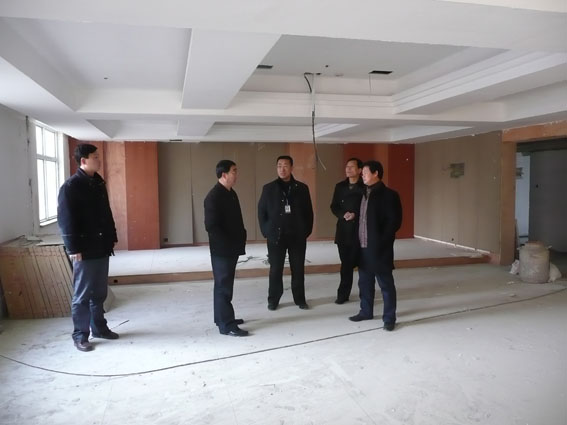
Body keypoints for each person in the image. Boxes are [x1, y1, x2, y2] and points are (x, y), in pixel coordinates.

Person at [57, 143, 119, 352]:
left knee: (99, 292)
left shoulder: (98, 183)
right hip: (83, 249)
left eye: (98, 156)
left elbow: (106, 213)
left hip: (101, 245)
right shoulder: (71, 187)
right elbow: (66, 220)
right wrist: (73, 248)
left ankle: (99, 328)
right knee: (82, 295)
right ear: (83, 161)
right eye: (95, 157)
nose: (99, 160)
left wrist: (111, 236)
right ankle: (80, 335)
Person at [349, 160, 402, 331]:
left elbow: (394, 222)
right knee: (364, 283)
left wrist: (382, 241)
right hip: (362, 246)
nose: (362, 175)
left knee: (385, 284)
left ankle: (389, 318)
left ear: (376, 173)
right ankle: (366, 311)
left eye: (365, 173)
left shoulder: (389, 195)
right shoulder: (361, 193)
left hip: (379, 248)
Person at [258, 155, 313, 311]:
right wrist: (266, 231)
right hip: (276, 236)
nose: (282, 169)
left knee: (298, 269)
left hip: (297, 236)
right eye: (279, 166)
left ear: (291, 168)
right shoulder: (268, 188)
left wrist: (305, 231)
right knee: (275, 269)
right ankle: (273, 299)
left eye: (285, 166)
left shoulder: (302, 188)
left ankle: (300, 299)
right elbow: (261, 212)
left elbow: (309, 213)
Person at [204, 160, 249, 337]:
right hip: (222, 250)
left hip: (231, 247)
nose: (236, 174)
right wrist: (227, 244)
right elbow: (211, 226)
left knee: (224, 285)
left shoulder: (230, 193)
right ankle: (226, 325)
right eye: (234, 171)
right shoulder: (213, 197)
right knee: (223, 286)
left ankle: (222, 318)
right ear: (224, 175)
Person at [330, 157, 365, 304]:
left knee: (363, 264)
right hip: (343, 230)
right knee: (345, 265)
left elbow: (368, 207)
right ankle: (343, 294)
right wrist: (343, 214)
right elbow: (334, 206)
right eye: (347, 167)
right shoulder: (340, 186)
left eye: (352, 167)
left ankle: (366, 294)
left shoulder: (365, 187)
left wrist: (355, 214)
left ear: (360, 170)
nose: (348, 169)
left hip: (359, 230)